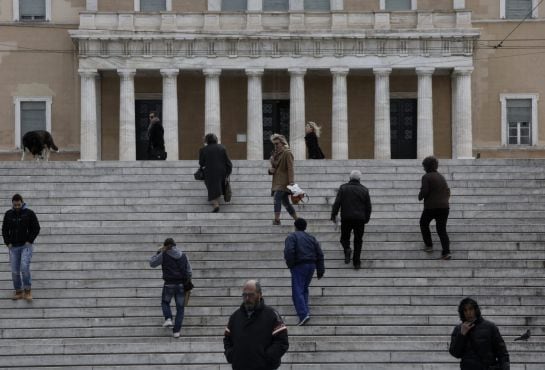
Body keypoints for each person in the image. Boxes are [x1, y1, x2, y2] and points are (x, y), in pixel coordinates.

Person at [224, 280, 289, 370]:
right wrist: (232, 355)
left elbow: (282, 342)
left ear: (260, 295)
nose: (247, 298)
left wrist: (266, 357)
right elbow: (227, 339)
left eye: (251, 295)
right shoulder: (235, 317)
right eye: (244, 295)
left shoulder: (272, 315)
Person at [284, 218, 325, 326]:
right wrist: (320, 269)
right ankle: (305, 311)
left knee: (297, 290)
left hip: (299, 265)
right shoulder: (311, 238)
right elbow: (320, 254)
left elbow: (289, 251)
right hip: (311, 265)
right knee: (304, 288)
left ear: (295, 226)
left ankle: (303, 314)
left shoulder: (292, 237)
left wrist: (291, 264)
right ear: (305, 227)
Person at [449, 297, 510, 370]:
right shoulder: (459, 329)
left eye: (470, 309)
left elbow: (502, 353)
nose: (468, 313)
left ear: (475, 310)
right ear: (462, 313)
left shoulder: (490, 327)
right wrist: (462, 335)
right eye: (465, 310)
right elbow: (455, 353)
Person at [149, 238, 192, 338]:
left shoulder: (164, 254)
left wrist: (158, 252)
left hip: (169, 284)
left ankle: (168, 318)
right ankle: (176, 332)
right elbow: (189, 271)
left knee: (165, 302)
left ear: (166, 246)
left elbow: (152, 263)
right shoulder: (183, 256)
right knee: (180, 309)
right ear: (175, 245)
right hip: (181, 285)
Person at [330, 170, 372, 270]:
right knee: (358, 241)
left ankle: (347, 249)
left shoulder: (343, 188)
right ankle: (356, 262)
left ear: (350, 178)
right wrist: (366, 218)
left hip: (346, 218)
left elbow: (337, 203)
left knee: (344, 238)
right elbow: (368, 207)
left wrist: (334, 214)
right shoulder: (364, 190)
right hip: (360, 219)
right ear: (359, 179)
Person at [2, 193, 40, 301]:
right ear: (12, 204)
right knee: (14, 271)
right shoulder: (8, 214)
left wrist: (30, 240)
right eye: (15, 205)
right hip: (13, 247)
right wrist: (7, 242)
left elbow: (36, 227)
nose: (17, 207)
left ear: (22, 203)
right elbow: (4, 230)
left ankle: (27, 291)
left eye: (19, 205)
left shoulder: (29, 213)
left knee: (24, 267)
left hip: (25, 246)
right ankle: (18, 291)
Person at [418, 156, 451, 260]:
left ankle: (429, 246)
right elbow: (448, 191)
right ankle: (446, 252)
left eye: (424, 166)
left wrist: (420, 196)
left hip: (431, 207)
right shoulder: (441, 176)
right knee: (441, 230)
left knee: (423, 223)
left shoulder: (426, 177)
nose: (423, 168)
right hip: (444, 207)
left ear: (427, 166)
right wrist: (444, 200)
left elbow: (425, 190)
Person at [198, 133, 233, 212]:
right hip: (222, 171)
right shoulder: (222, 147)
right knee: (218, 184)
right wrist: (228, 171)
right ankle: (217, 198)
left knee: (211, 187)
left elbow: (201, 163)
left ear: (207, 140)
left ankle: (216, 204)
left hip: (209, 172)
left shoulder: (203, 149)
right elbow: (228, 161)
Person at [269, 134, 298, 225]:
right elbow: (274, 168)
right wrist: (270, 170)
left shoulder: (287, 153)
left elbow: (290, 168)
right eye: (274, 144)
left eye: (277, 143)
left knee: (277, 197)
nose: (275, 146)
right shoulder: (275, 155)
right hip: (277, 181)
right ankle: (297, 220)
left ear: (282, 143)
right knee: (286, 203)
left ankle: (277, 219)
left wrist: (291, 182)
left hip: (284, 182)